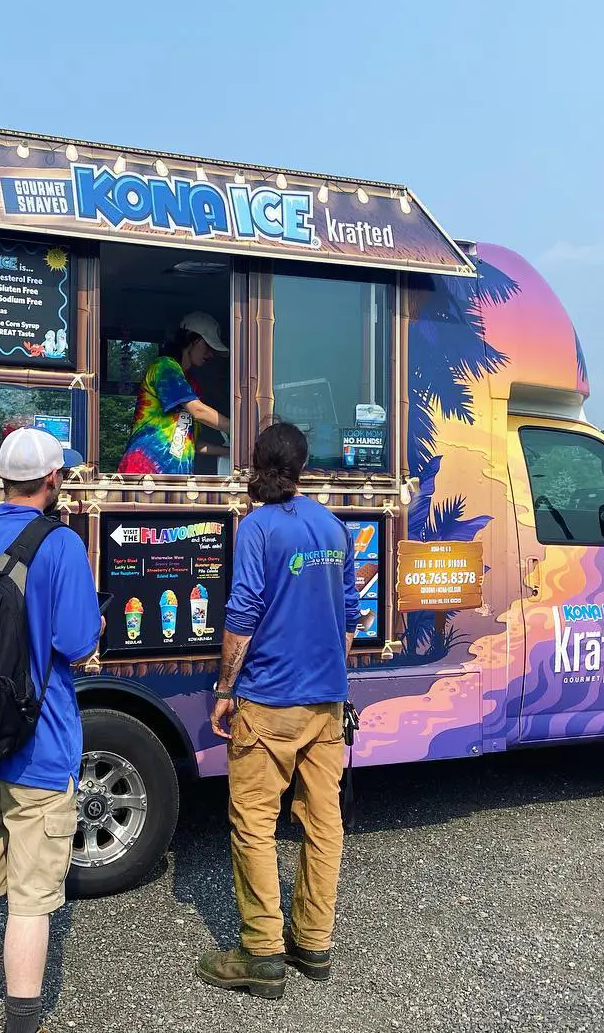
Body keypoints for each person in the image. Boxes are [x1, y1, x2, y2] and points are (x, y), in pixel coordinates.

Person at [0, 428, 102, 1033]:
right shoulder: (59, 544)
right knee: (29, 900)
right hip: (39, 745)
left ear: (2, 478)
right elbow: (77, 643)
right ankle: (22, 1026)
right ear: (53, 479)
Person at [199, 422, 359, 1001]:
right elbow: (350, 614)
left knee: (254, 824)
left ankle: (262, 952)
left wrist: (225, 688)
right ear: (303, 466)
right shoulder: (333, 526)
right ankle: (313, 943)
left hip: (268, 701)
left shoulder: (257, 527)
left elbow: (242, 613)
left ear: (257, 462)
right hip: (326, 703)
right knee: (323, 823)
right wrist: (331, 675)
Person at [117, 311, 231, 476]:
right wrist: (240, 430)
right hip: (144, 472)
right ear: (192, 340)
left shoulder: (192, 385)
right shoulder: (165, 367)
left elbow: (193, 443)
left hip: (176, 478)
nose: (211, 354)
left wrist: (231, 451)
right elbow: (198, 411)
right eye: (208, 346)